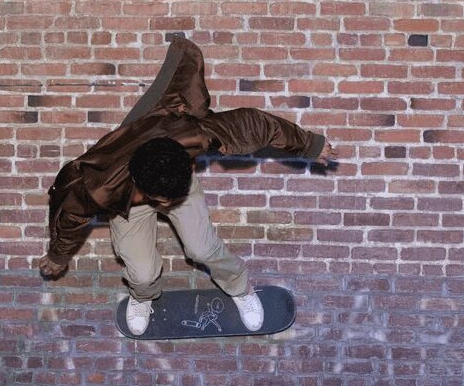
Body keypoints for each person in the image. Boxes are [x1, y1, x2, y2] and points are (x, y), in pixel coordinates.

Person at [38, 36, 337, 333]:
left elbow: (255, 125)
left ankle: (240, 288)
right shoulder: (98, 184)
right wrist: (57, 256)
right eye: (162, 200)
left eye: (170, 199)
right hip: (127, 204)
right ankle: (142, 296)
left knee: (202, 249)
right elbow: (68, 216)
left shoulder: (192, 135)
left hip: (176, 181)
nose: (166, 205)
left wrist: (309, 145)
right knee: (142, 273)